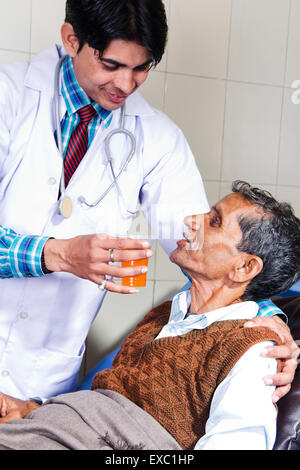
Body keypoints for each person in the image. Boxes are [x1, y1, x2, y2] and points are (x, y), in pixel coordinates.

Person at [0, 0, 294, 403]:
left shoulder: (157, 138)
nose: (126, 84)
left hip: (42, 379)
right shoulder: (8, 98)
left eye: (141, 68)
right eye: (112, 65)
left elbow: (207, 252)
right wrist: (58, 255)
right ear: (72, 39)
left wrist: (265, 318)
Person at [0, 181, 299, 451]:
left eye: (214, 222)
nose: (190, 221)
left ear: (245, 268)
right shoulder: (162, 316)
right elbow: (102, 406)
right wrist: (31, 410)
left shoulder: (253, 352)